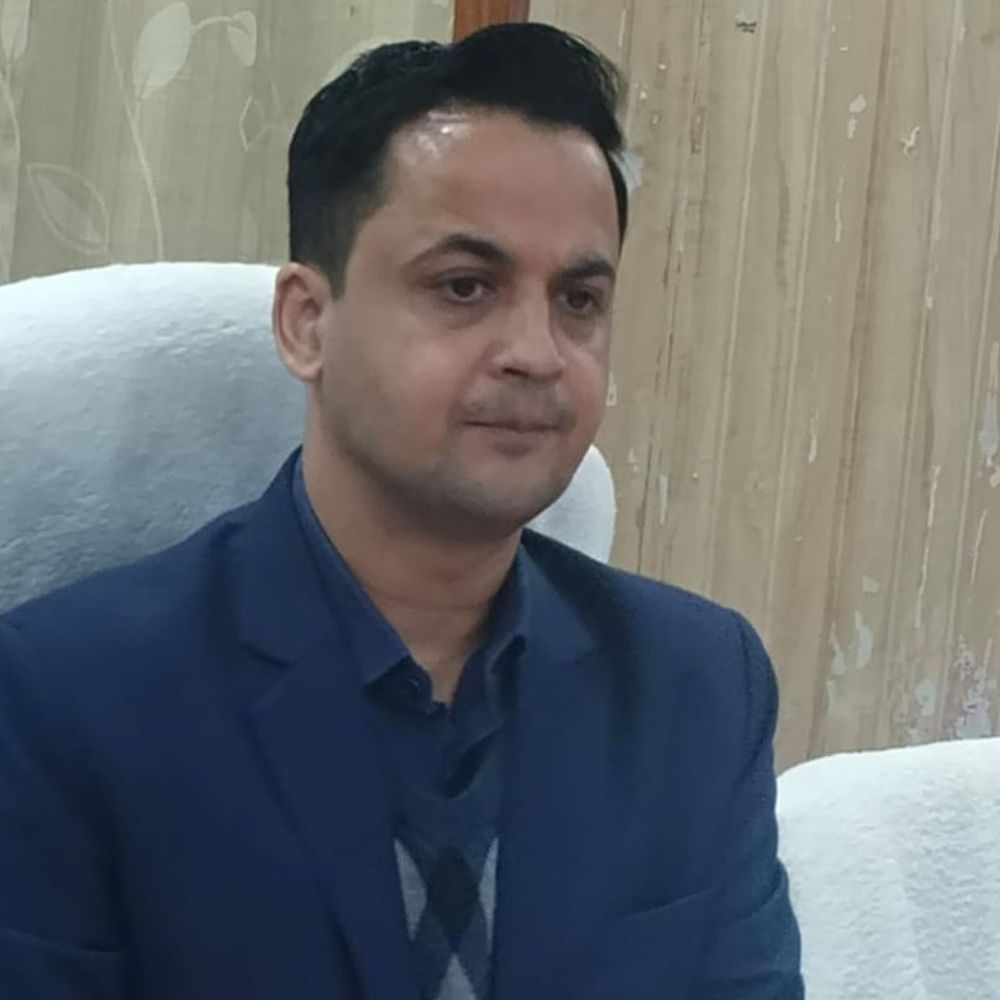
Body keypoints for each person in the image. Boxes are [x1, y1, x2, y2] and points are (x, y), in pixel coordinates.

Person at [0, 22, 803, 1000]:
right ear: (307, 323)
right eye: (465, 287)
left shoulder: (696, 686)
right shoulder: (65, 699)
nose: (537, 352)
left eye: (579, 301)